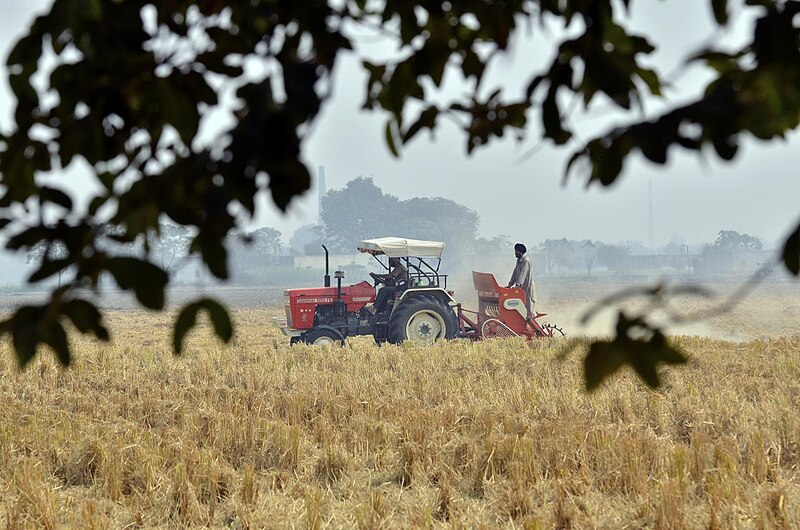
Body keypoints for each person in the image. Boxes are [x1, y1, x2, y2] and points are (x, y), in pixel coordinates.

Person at [507, 243, 536, 320]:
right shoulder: (518, 261)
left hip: (527, 286)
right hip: (521, 287)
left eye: (516, 251)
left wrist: (518, 285)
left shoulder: (525, 261)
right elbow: (515, 272)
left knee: (529, 305)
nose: (515, 253)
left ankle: (531, 321)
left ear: (520, 252)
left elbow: (523, 273)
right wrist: (510, 284)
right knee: (522, 304)